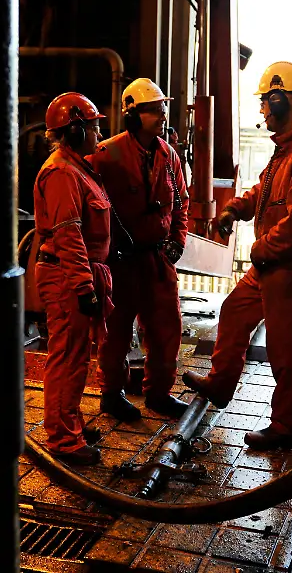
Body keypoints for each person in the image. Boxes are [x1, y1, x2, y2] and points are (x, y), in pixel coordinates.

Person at [182, 61, 292, 450]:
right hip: (271, 262)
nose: (263, 110)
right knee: (235, 311)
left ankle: (286, 428)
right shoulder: (287, 150)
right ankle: (220, 384)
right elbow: (264, 192)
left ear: (282, 99)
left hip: (288, 264)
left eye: (266, 101)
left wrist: (257, 249)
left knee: (286, 349)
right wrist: (235, 209)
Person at [87, 78, 190, 420]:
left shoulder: (168, 156)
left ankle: (159, 394)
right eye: (153, 110)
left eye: (162, 109)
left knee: (166, 329)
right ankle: (112, 394)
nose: (162, 115)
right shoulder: (106, 155)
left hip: (158, 259)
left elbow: (181, 203)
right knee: (116, 331)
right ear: (132, 115)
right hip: (121, 261)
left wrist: (178, 240)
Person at [33, 92, 112, 465]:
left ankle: (70, 421)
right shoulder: (63, 173)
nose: (99, 135)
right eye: (94, 128)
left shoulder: (78, 168)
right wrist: (83, 286)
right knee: (67, 357)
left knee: (76, 356)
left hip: (73, 272)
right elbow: (68, 233)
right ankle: (63, 439)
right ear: (76, 131)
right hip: (66, 275)